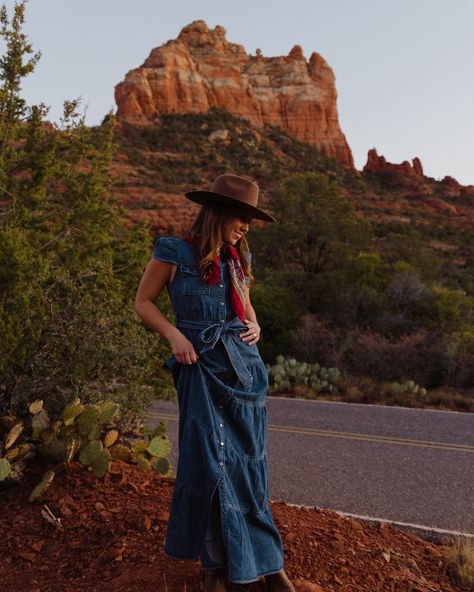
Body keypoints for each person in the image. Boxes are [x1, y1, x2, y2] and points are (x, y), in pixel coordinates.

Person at [134, 174, 295, 592]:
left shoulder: (239, 258)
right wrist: (174, 335)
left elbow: (245, 302)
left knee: (249, 466)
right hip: (199, 369)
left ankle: (266, 563)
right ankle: (214, 567)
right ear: (218, 212)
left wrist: (255, 323)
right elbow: (143, 301)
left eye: (250, 219)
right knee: (207, 464)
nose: (245, 226)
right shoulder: (173, 251)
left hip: (244, 372)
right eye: (241, 217)